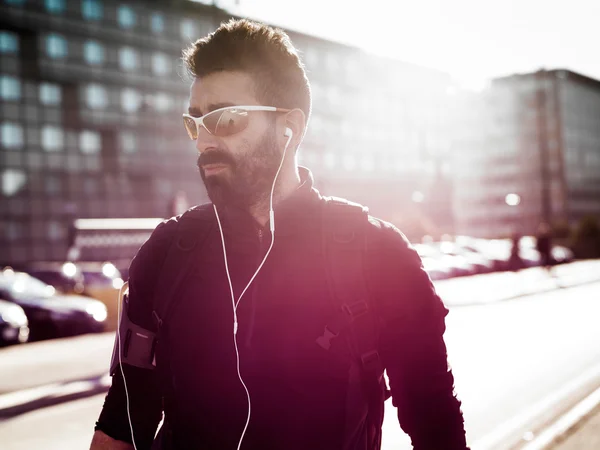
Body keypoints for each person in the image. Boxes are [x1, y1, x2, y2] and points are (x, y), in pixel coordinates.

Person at [90, 19, 469, 450]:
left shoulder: (377, 254)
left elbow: (434, 421)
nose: (204, 141)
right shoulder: (167, 253)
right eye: (195, 122)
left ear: (291, 127)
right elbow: (124, 416)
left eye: (227, 118)